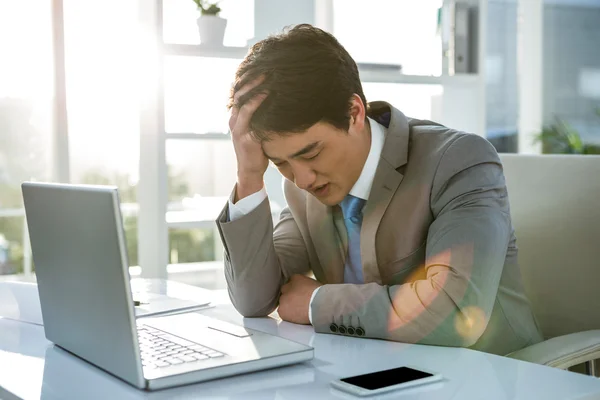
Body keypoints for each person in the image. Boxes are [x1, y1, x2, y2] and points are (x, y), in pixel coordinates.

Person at [216, 24, 542, 355]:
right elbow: (255, 299)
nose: (301, 180)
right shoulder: (301, 190)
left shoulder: (458, 161)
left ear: (354, 112)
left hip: (490, 372)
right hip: (374, 371)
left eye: (311, 153)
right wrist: (249, 175)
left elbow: (455, 311)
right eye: (280, 162)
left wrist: (316, 303)